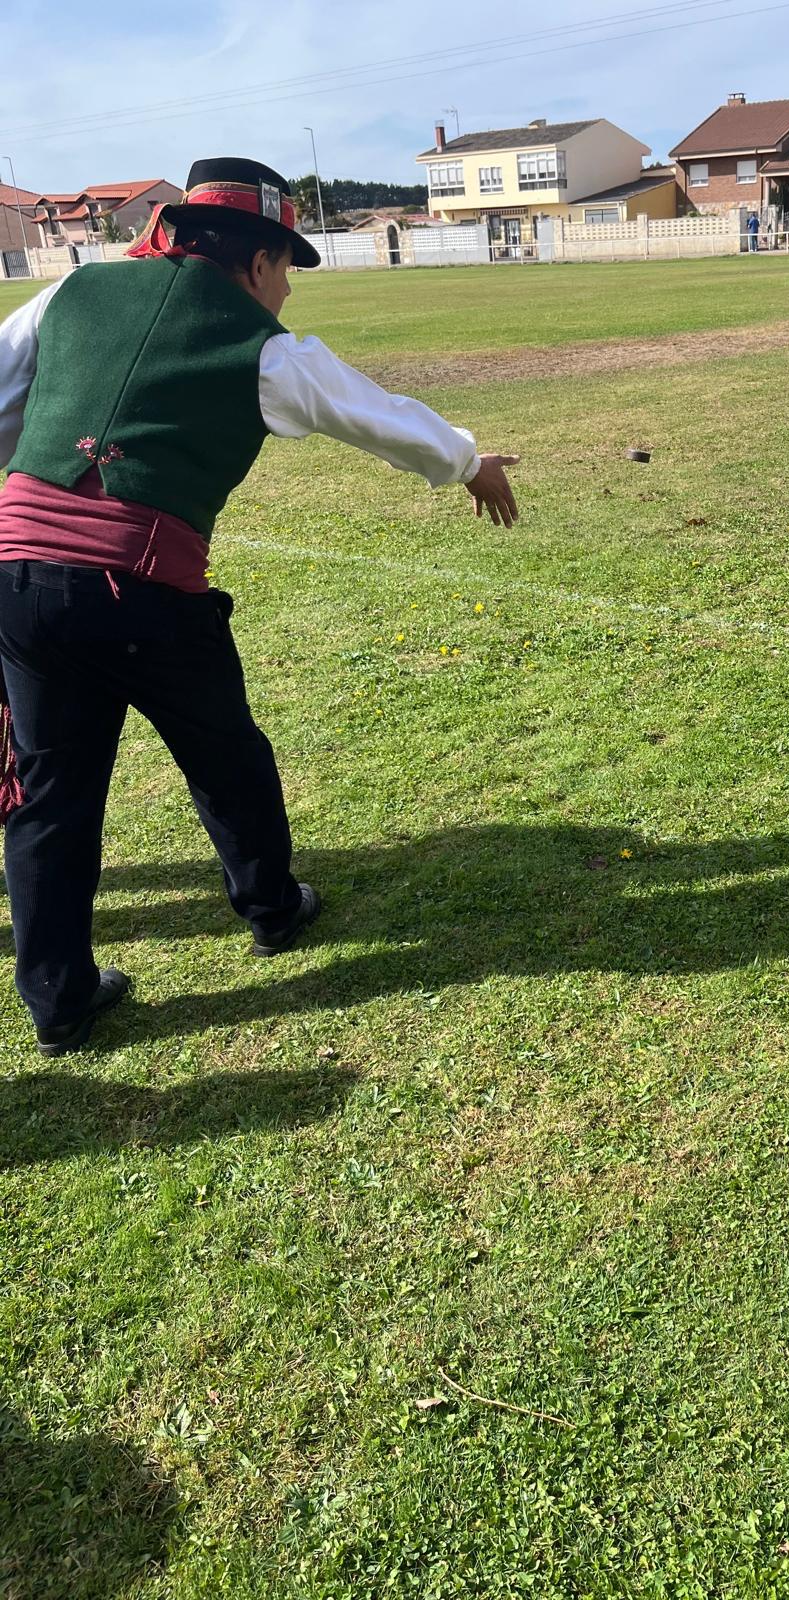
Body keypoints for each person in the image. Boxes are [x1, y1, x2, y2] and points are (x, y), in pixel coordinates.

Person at [0, 157, 519, 1057]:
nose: (284, 291)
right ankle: (274, 908)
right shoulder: (264, 347)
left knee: (49, 793)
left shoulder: (70, 295)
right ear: (253, 262)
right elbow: (375, 414)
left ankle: (60, 999)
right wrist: (470, 462)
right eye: (284, 270)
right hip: (140, 587)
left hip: (15, 578)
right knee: (225, 754)